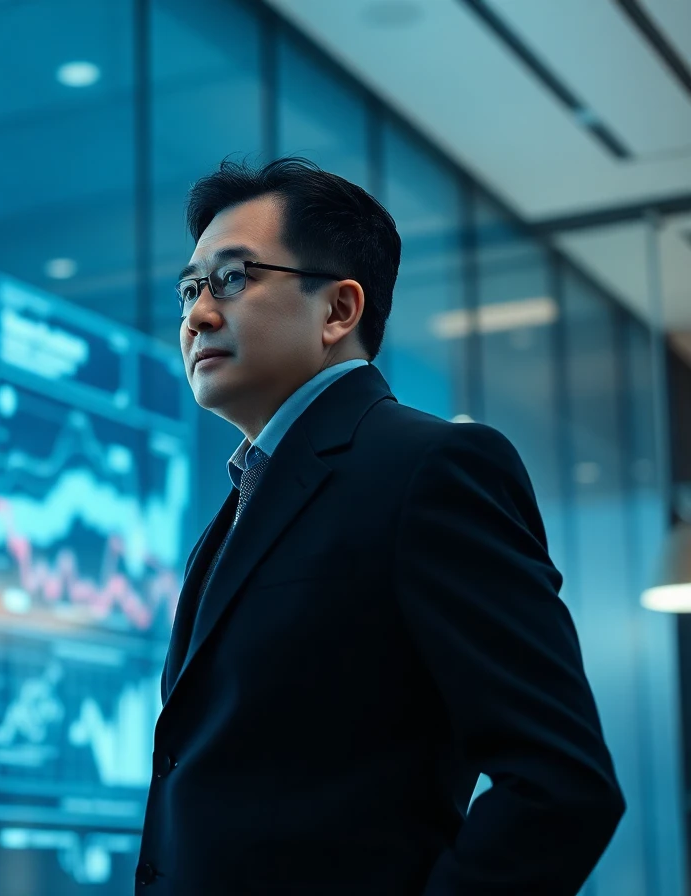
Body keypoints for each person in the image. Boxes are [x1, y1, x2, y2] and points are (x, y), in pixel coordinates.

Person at [136, 158, 624, 895]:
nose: (198, 314)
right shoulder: (245, 500)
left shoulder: (431, 469)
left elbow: (562, 783)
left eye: (233, 278)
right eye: (190, 288)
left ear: (338, 310)